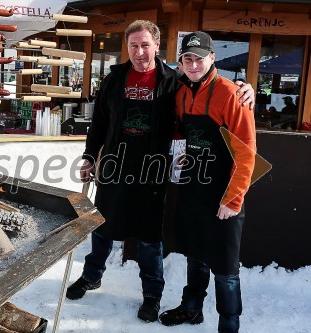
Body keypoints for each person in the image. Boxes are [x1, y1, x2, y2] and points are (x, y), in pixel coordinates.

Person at [66, 20, 255, 324]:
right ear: (127, 48)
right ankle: (91, 276)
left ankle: (152, 295)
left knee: (149, 238)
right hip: (115, 167)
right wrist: (90, 156)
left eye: (145, 45)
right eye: (133, 46)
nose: (139, 52)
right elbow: (99, 122)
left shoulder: (173, 82)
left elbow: (211, 100)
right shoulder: (114, 80)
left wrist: (246, 90)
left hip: (153, 172)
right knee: (101, 227)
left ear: (156, 46)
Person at [158, 31, 256, 333]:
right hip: (193, 189)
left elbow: (247, 153)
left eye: (199, 57)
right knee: (195, 254)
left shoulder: (231, 94)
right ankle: (191, 308)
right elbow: (180, 133)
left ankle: (229, 324)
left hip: (222, 194)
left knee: (225, 268)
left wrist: (232, 200)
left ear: (212, 58)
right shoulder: (182, 93)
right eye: (187, 58)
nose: (193, 63)